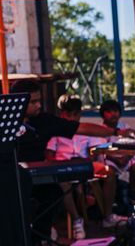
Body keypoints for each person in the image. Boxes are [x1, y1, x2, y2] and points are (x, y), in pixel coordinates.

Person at [4, 79, 134, 244]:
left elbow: (82, 128)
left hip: (36, 177)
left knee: (54, 194)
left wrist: (117, 131)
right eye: (33, 102)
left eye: (40, 101)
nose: (38, 105)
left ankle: (37, 238)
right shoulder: (6, 121)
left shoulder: (45, 121)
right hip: (10, 178)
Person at [46, 95, 124, 239]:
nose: (71, 118)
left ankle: (107, 216)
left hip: (83, 165)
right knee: (63, 183)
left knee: (109, 173)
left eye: (75, 114)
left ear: (79, 114)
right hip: (63, 166)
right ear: (62, 113)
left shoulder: (86, 129)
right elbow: (49, 154)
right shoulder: (55, 130)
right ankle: (77, 220)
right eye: (68, 114)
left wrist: (89, 159)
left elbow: (95, 150)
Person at [99, 99, 135, 204]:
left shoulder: (125, 127)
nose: (113, 114)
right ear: (103, 114)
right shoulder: (100, 129)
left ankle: (133, 194)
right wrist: (116, 160)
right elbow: (101, 150)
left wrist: (126, 158)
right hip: (109, 159)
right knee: (110, 172)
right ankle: (114, 199)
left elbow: (132, 145)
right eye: (109, 112)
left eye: (116, 111)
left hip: (125, 157)